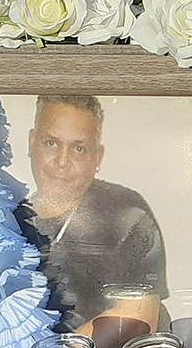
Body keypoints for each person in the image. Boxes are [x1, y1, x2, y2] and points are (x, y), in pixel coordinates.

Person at [15, 95, 169, 335]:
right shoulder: (7, 221)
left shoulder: (127, 213)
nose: (62, 161)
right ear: (32, 142)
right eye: (51, 143)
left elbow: (139, 317)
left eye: (78, 148)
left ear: (97, 157)